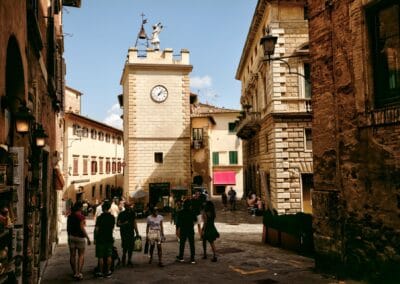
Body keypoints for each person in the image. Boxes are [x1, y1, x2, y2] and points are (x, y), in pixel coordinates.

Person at [67, 201, 91, 281]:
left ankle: (74, 273)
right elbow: (82, 228)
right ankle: (79, 273)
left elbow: (68, 229)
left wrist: (69, 237)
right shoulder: (81, 216)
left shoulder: (70, 216)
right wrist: (87, 238)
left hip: (71, 237)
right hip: (80, 238)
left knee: (72, 255)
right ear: (80, 208)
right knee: (81, 255)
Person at [94, 201, 115, 278]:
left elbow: (96, 229)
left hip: (100, 238)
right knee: (109, 255)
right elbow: (112, 228)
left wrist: (95, 238)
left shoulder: (99, 218)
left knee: (101, 256)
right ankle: (108, 271)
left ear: (102, 208)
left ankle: (100, 272)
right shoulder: (112, 218)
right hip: (109, 238)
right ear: (109, 208)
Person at [117, 202, 139, 267]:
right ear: (125, 206)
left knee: (130, 247)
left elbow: (134, 223)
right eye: (127, 206)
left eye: (129, 206)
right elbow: (118, 224)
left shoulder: (132, 213)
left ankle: (129, 260)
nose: (129, 207)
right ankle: (124, 258)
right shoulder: (121, 214)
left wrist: (137, 232)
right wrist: (124, 224)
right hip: (124, 233)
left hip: (130, 232)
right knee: (125, 246)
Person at [176, 200, 197, 264]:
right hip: (190, 229)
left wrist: (177, 230)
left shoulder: (180, 212)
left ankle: (181, 257)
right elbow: (195, 220)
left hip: (183, 229)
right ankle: (192, 258)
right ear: (190, 206)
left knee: (182, 244)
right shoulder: (192, 212)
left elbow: (178, 223)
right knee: (192, 244)